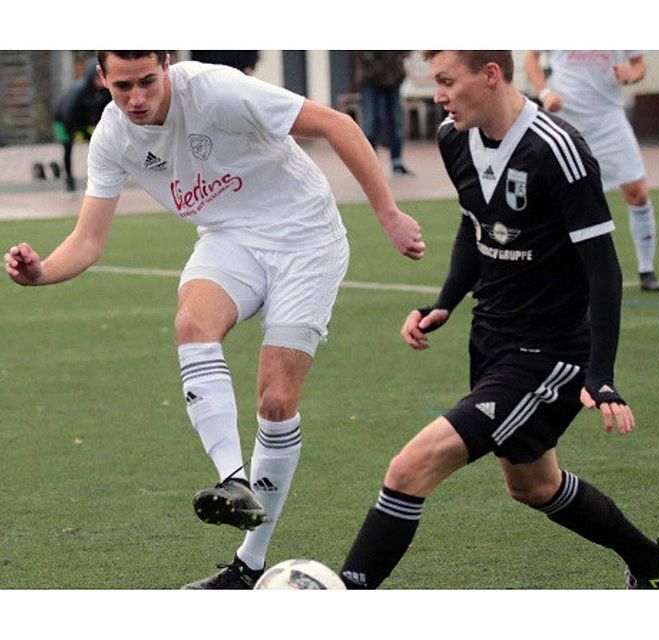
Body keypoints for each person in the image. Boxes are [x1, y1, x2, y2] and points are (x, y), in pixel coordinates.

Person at [4, 50, 426, 589]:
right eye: (122, 86)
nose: (136, 99)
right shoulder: (113, 135)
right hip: (230, 239)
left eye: (148, 82)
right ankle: (233, 479)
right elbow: (87, 240)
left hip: (305, 236)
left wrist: (388, 213)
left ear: (168, 64)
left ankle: (248, 566)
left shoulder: (217, 90)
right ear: (102, 78)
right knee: (192, 323)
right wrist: (39, 273)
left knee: (275, 401)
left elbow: (335, 123)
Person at [337, 50, 659, 590]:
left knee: (410, 468)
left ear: (491, 75)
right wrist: (446, 302)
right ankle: (656, 566)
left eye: (449, 81)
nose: (438, 96)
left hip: (548, 354)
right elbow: (475, 227)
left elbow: (604, 273)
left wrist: (602, 375)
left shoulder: (559, 151)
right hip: (493, 337)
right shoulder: (456, 139)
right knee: (532, 484)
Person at [524, 50, 659, 292]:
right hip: (566, 120)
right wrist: (545, 92)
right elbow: (531, 58)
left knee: (638, 192)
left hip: (609, 120)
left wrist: (631, 75)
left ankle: (647, 270)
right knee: (551, 197)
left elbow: (639, 65)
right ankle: (537, 270)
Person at [52, 58, 112, 192]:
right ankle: (69, 180)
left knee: (100, 144)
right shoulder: (78, 91)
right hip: (63, 122)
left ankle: (103, 178)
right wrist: (73, 133)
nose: (100, 81)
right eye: (97, 77)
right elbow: (67, 113)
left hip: (85, 124)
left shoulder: (106, 92)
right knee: (67, 147)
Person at [352, 50, 414, 176]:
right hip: (370, 77)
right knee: (370, 122)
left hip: (393, 76)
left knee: (395, 120)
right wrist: (368, 60)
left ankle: (397, 162)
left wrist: (400, 57)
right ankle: (369, 165)